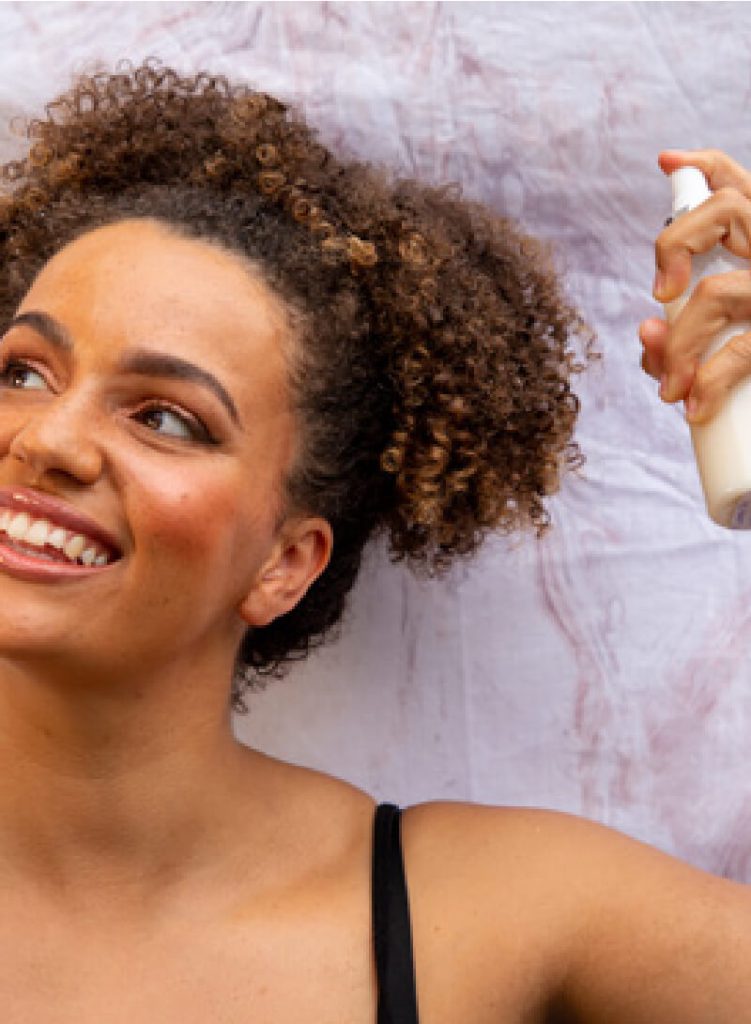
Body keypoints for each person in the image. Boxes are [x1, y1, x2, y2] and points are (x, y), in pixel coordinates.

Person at [0, 59, 746, 1022]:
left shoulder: (491, 916)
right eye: (23, 372)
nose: (47, 440)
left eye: (166, 419)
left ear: (284, 564)